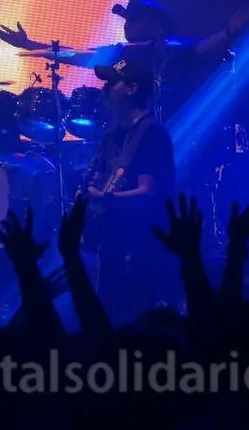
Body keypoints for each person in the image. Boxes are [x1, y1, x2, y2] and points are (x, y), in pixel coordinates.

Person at [0, 0, 246, 115]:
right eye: (128, 19)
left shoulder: (169, 49)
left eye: (135, 19)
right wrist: (30, 44)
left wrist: (228, 32)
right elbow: (75, 55)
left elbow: (202, 48)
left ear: (156, 25)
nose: (128, 24)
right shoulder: (120, 52)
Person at [83, 60, 176, 323]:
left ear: (132, 88)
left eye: (112, 83)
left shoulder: (152, 133)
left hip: (142, 247)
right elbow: (99, 178)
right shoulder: (111, 136)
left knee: (135, 317)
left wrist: (106, 199)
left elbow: (149, 193)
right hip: (112, 243)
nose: (105, 89)